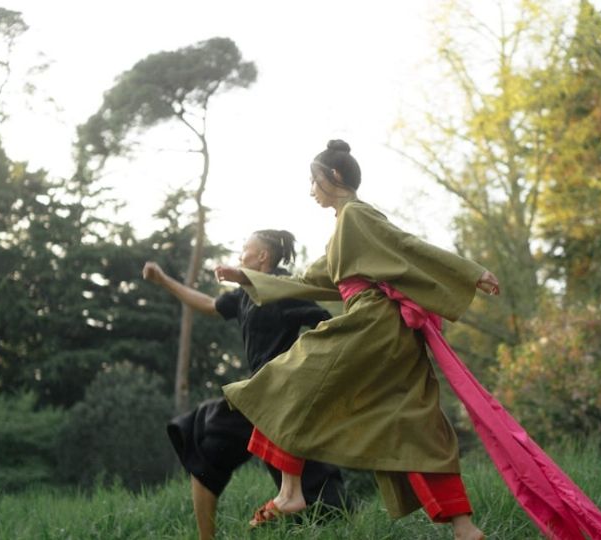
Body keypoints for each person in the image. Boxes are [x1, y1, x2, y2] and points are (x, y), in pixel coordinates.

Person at [215, 140, 498, 540]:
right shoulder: (345, 228)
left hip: (372, 325)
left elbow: (407, 246)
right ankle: (464, 527)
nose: (310, 191)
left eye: (313, 182)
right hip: (394, 336)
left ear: (334, 177)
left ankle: (290, 491)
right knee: (412, 422)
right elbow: (312, 280)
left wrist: (470, 272)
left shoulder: (355, 217)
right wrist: (246, 277)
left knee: (281, 381)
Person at [143, 229, 345, 540]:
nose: (241, 254)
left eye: (245, 248)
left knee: (325, 500)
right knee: (202, 437)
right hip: (254, 399)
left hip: (282, 400)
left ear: (263, 256)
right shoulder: (244, 294)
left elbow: (324, 323)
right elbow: (211, 306)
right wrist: (164, 281)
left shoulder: (283, 289)